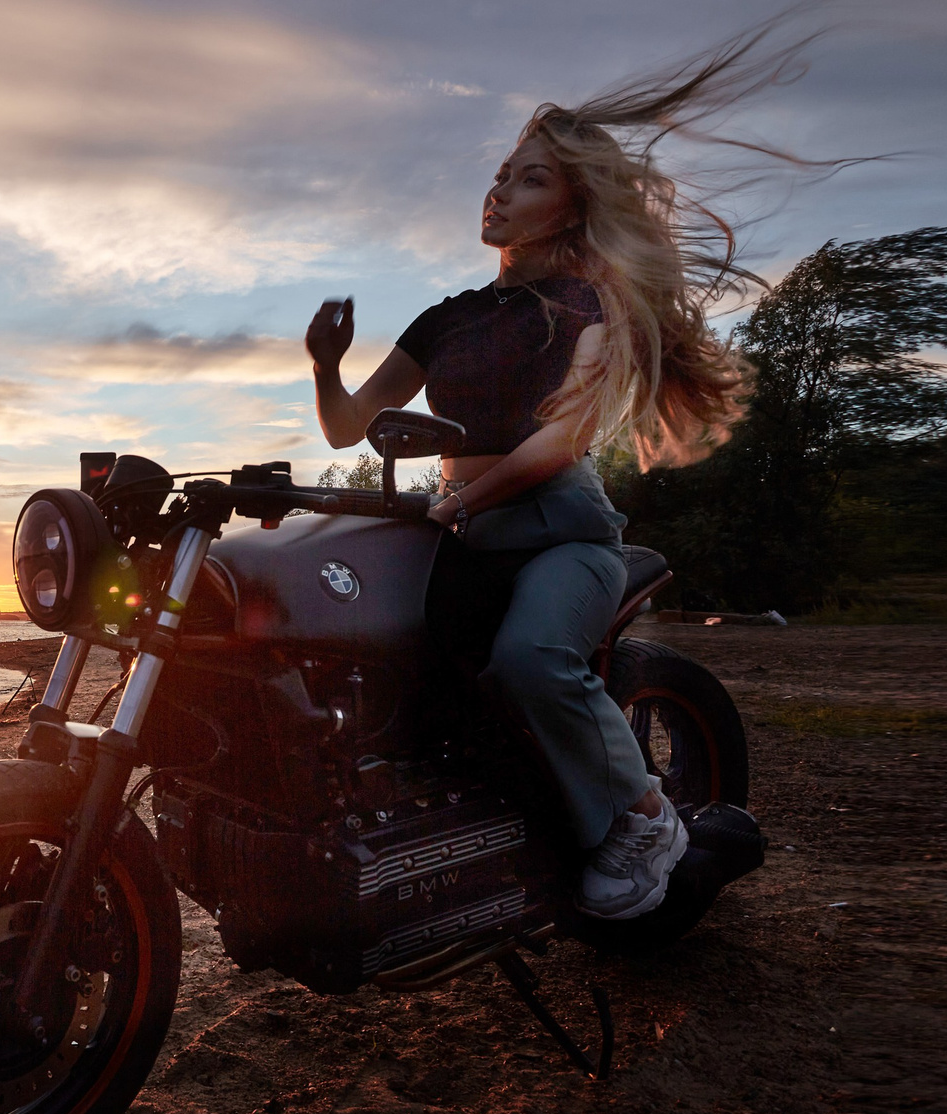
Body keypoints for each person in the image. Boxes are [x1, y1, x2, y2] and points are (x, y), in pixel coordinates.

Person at [303, 27, 826, 918]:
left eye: (531, 177)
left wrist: (459, 498)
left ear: (573, 208)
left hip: (558, 530)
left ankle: (648, 817)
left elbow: (557, 445)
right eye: (503, 172)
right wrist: (324, 365)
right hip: (460, 527)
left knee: (532, 659)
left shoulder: (593, 305)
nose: (501, 188)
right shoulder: (447, 318)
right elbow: (353, 427)